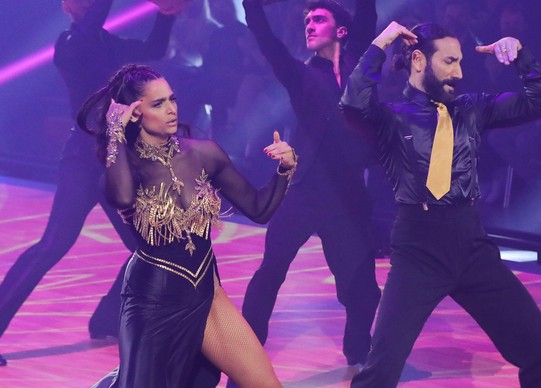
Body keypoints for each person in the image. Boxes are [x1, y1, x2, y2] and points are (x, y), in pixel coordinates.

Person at [340, 21, 541, 387]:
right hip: (418, 251)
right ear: (418, 60)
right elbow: (352, 103)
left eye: (460, 63)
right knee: (378, 374)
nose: (458, 73)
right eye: (449, 62)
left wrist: (520, 54)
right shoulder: (391, 117)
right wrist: (381, 42)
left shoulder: (472, 109)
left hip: (472, 246)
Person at [79, 63, 296, 387]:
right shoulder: (123, 169)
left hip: (208, 297)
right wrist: (115, 136)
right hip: (152, 305)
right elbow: (123, 198)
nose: (171, 110)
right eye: (158, 103)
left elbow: (259, 209)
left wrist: (285, 169)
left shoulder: (203, 153)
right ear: (135, 114)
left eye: (172, 99)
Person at [0, 0, 187, 367]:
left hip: (118, 159)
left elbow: (154, 51)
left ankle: (106, 319)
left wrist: (165, 16)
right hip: (84, 160)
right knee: (54, 244)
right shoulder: (70, 43)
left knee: (147, 247)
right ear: (69, 6)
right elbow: (94, 21)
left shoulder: (107, 42)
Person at [239, 0, 381, 368]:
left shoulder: (361, 65)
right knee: (271, 271)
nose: (310, 25)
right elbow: (266, 40)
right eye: (307, 20)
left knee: (362, 289)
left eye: (319, 19)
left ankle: (358, 350)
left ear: (342, 30)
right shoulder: (301, 75)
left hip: (348, 198)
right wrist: (251, 5)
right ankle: (246, 355)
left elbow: (367, 12)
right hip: (303, 192)